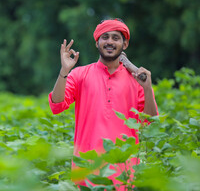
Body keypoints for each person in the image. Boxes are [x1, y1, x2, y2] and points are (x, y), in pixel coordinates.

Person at [48, 18, 158, 190]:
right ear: (97, 42)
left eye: (116, 38)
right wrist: (64, 71)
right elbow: (57, 105)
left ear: (125, 44)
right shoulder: (80, 74)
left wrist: (147, 88)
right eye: (105, 37)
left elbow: (150, 121)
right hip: (86, 171)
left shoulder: (137, 80)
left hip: (124, 174)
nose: (110, 42)